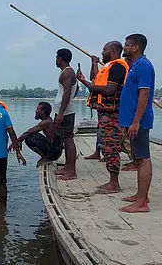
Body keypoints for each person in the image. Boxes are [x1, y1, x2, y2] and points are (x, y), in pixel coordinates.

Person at [77, 41, 129, 194]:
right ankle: (112, 181)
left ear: (113, 51)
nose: (102, 52)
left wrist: (86, 84)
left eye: (104, 50)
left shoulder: (118, 67)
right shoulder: (109, 66)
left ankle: (114, 183)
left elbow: (108, 89)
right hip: (105, 114)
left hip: (113, 115)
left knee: (111, 148)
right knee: (107, 146)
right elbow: (96, 79)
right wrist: (87, 77)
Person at [118, 34, 155, 213]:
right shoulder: (133, 67)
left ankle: (142, 203)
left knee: (142, 159)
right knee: (138, 158)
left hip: (138, 121)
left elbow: (144, 95)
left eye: (126, 45)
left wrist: (136, 122)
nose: (124, 48)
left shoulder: (144, 66)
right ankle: (141, 195)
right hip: (131, 121)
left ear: (135, 48)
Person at [54, 48, 78, 181]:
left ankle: (71, 171)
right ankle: (67, 167)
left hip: (66, 113)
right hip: (64, 111)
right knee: (65, 139)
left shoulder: (67, 73)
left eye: (56, 58)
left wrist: (61, 113)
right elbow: (77, 89)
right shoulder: (66, 72)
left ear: (60, 59)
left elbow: (67, 93)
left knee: (68, 140)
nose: (56, 60)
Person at [16, 102, 62, 167]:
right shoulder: (48, 120)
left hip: (54, 152)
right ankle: (46, 156)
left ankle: (46, 157)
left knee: (29, 138)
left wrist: (15, 142)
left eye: (37, 109)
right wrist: (20, 140)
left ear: (43, 111)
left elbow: (28, 132)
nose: (36, 111)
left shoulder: (46, 122)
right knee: (32, 135)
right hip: (55, 150)